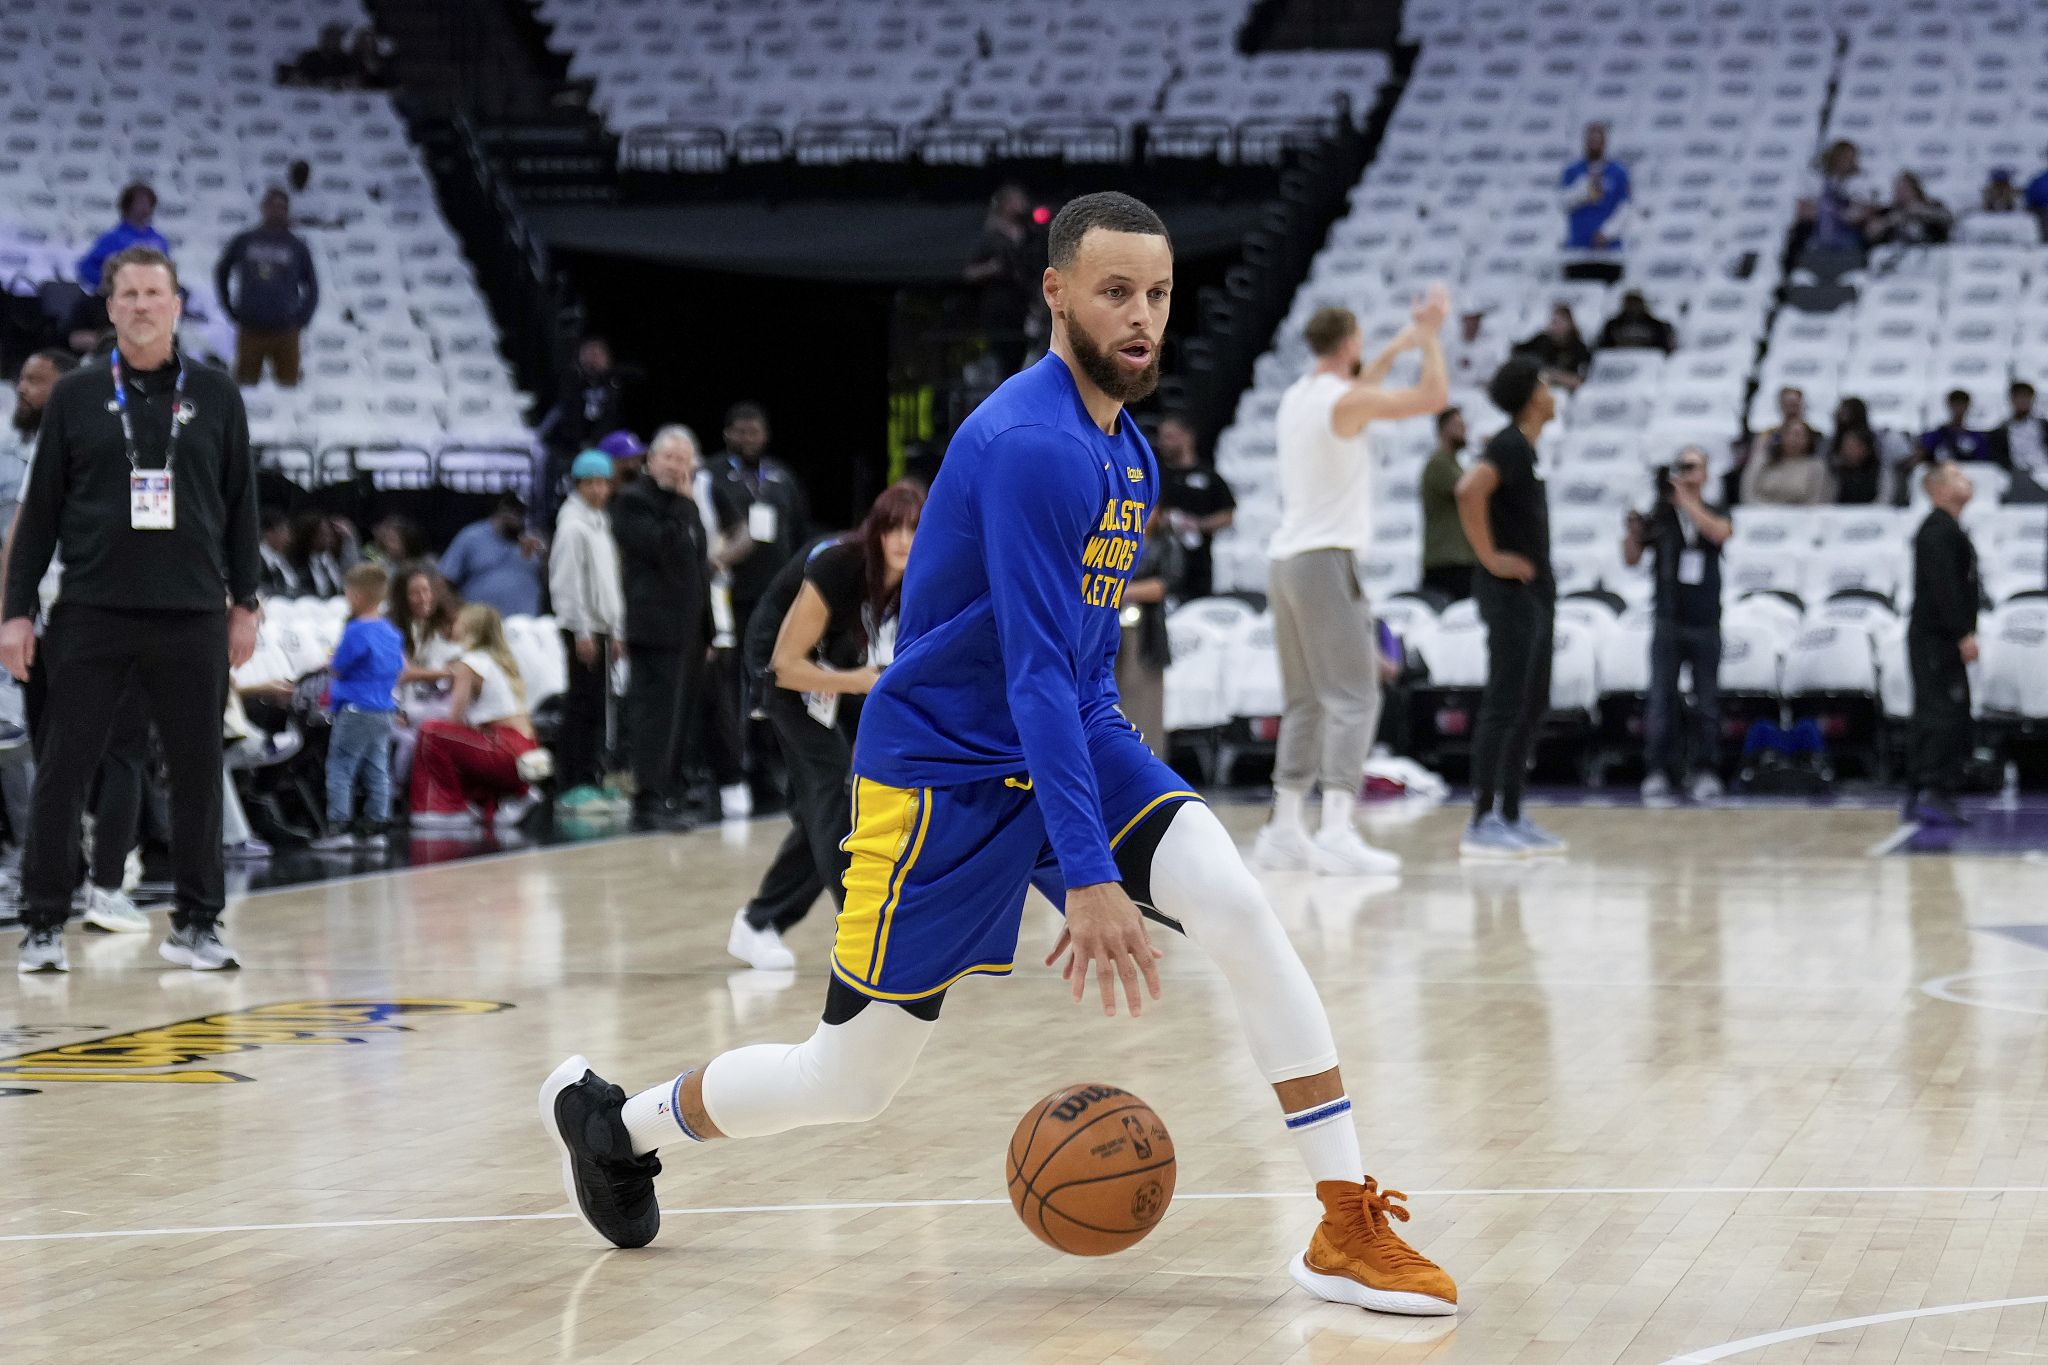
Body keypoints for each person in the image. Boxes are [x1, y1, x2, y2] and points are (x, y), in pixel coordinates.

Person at [538, 192, 1459, 1320]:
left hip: (1070, 733)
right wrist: (1087, 876)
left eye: (1158, 294)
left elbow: (1069, 674)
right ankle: (613, 1125)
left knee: (1233, 900)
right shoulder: (1031, 445)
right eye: (1114, 291)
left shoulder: (1127, 455)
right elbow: (1025, 675)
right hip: (938, 780)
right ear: (1055, 294)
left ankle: (1341, 1220)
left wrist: (1102, 838)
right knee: (851, 1081)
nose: (1140, 316)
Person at [3, 245, 261, 974]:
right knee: (64, 766)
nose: (144, 305)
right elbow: (40, 512)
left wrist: (246, 603)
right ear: (111, 307)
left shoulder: (217, 395)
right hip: (91, 611)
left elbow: (244, 506)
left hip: (193, 616)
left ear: (177, 304)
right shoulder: (78, 396)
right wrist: (15, 612)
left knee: (198, 770)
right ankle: (45, 922)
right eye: (130, 294)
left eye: (156, 292)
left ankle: (198, 924)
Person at [1255, 290, 1450, 878]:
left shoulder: (1298, 395)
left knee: (1305, 701)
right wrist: (1432, 336)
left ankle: (1284, 830)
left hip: (1284, 560)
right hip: (1324, 559)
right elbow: (1434, 397)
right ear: (1349, 344)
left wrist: (1398, 344)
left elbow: (1361, 384)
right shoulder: (1344, 402)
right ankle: (1337, 829)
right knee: (1356, 694)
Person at [729, 484, 924, 972]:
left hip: (843, 671)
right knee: (836, 785)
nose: (903, 539)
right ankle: (866, 930)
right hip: (785, 666)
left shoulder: (921, 575)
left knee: (821, 806)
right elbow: (785, 665)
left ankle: (758, 923)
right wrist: (854, 681)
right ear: (873, 531)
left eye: (914, 528)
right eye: (891, 528)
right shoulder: (838, 564)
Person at [1454, 357, 1566, 859]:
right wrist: (1491, 557)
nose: (1552, 388)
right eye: (1544, 380)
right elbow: (1468, 489)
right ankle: (1482, 819)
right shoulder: (1508, 443)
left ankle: (1513, 813)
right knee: (1505, 702)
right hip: (1510, 594)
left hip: (1535, 592)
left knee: (1531, 702)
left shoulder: (1527, 450)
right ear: (1530, 394)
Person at [706, 401, 811, 817]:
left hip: (777, 599)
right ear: (728, 433)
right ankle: (726, 766)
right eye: (741, 431)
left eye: (756, 432)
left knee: (771, 681)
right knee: (727, 686)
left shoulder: (782, 477)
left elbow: (800, 532)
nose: (749, 439)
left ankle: (768, 764)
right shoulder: (711, 475)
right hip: (729, 597)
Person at [612, 425, 713, 832]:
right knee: (653, 715)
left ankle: (670, 788)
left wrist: (708, 629)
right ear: (651, 461)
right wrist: (684, 505)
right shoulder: (632, 501)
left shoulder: (684, 505)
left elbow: (699, 566)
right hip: (653, 628)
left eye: (683, 459)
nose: (675, 466)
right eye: (668, 458)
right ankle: (648, 796)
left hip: (689, 629)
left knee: (679, 717)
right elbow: (658, 546)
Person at [1624, 447, 1732, 802]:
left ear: (1705, 474)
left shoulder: (1714, 508)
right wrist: (1632, 531)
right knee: (1661, 700)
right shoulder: (1661, 514)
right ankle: (1658, 770)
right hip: (1668, 618)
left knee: (1706, 703)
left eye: (1692, 467)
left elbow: (1719, 533)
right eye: (1680, 467)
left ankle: (1705, 769)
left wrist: (1685, 500)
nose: (1684, 473)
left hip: (1704, 619)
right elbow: (1632, 558)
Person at [410, 603, 541, 831]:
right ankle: (517, 792)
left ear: (469, 627)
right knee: (464, 741)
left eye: (459, 621)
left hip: (504, 748)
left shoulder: (470, 663)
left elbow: (455, 718)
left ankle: (447, 809)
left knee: (431, 732)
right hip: (525, 748)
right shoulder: (499, 661)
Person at [1904, 463, 1981, 828]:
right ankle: (1932, 791)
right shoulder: (1937, 530)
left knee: (1937, 709)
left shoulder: (1947, 529)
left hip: (1938, 638)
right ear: (1939, 490)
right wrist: (1963, 632)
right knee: (1942, 712)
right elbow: (1944, 588)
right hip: (1937, 638)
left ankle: (1921, 790)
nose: (1968, 480)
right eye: (1958, 477)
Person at [548, 450, 625, 803]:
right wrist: (581, 631)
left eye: (603, 483)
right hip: (583, 629)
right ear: (578, 485)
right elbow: (568, 584)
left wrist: (617, 630)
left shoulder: (600, 522)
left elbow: (611, 583)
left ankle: (591, 773)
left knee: (599, 706)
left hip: (603, 628)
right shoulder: (572, 526)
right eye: (589, 483)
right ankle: (572, 777)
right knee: (581, 704)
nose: (597, 490)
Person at [309, 562, 403, 851]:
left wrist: (330, 661)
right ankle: (377, 828)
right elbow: (397, 666)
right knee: (377, 767)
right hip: (384, 709)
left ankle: (339, 827)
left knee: (341, 766)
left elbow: (338, 667)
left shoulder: (356, 631)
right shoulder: (391, 631)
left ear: (357, 597)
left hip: (354, 709)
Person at [214, 189, 319, 388]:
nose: (278, 211)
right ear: (264, 208)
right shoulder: (245, 240)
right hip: (251, 328)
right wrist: (229, 306)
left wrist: (303, 317)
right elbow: (222, 271)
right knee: (245, 387)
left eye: (282, 206)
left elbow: (312, 285)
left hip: (286, 330)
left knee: (289, 387)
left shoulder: (296, 245)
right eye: (274, 206)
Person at [1115, 512, 1184, 761]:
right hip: (1109, 627)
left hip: (1147, 632)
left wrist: (1120, 590)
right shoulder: (1113, 540)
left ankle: (1148, 763)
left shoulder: (1165, 543)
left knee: (1145, 704)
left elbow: (1164, 585)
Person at [388, 563, 463, 789]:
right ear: (403, 597)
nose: (424, 598)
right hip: (394, 707)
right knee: (419, 735)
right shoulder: (390, 630)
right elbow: (403, 674)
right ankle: (400, 791)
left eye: (427, 591)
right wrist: (446, 673)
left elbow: (456, 663)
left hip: (425, 703)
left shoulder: (435, 629)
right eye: (415, 593)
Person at [539, 337, 627, 530]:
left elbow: (614, 420)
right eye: (590, 353)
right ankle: (547, 527)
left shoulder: (615, 386)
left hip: (601, 452)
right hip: (566, 450)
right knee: (556, 487)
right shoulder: (567, 380)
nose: (594, 358)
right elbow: (559, 414)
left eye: (599, 354)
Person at [1151, 414, 1233, 601]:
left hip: (1200, 563)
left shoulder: (1209, 476)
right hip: (1164, 562)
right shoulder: (1158, 477)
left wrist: (1198, 524)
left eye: (1170, 437)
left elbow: (1228, 515)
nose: (1163, 443)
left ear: (1187, 437)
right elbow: (1147, 514)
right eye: (1162, 437)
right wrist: (1167, 520)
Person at [965, 183, 1037, 377]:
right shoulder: (989, 236)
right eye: (1016, 200)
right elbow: (969, 272)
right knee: (1002, 356)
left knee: (1025, 353)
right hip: (998, 306)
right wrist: (991, 268)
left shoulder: (1030, 236)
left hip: (1024, 305)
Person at [440, 492, 543, 619]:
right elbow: (444, 580)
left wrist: (545, 554)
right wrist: (454, 613)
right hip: (481, 625)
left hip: (525, 625)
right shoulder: (472, 537)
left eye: (520, 512)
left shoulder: (533, 542)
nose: (516, 517)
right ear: (498, 512)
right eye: (511, 511)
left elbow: (554, 581)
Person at [1420, 407, 1477, 603]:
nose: (1464, 431)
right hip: (1448, 564)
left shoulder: (1453, 465)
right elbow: (1469, 492)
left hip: (1458, 561)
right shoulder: (1439, 464)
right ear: (1443, 429)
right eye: (1458, 426)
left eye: (1464, 426)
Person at [75, 184, 170, 297]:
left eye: (148, 203)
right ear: (128, 205)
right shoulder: (113, 238)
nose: (145, 207)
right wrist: (112, 282)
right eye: (140, 202)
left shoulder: (159, 240)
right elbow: (86, 268)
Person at [1798, 139, 1879, 257]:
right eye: (1845, 157)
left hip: (1850, 231)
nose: (1850, 162)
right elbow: (1802, 210)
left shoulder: (1860, 181)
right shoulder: (1817, 178)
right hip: (1818, 228)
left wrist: (1841, 215)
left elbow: (1866, 211)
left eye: (1852, 158)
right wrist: (1826, 213)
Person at [1561, 122, 1629, 251]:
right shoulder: (1573, 171)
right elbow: (1564, 203)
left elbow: (1625, 206)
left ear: (1604, 142)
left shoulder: (1618, 172)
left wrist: (1606, 233)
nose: (1595, 145)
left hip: (1610, 248)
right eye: (1591, 140)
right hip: (1578, 245)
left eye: (1598, 140)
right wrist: (1586, 186)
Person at [1740, 419, 1829, 505]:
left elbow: (1817, 499)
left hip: (1800, 516)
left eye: (1798, 435)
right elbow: (1748, 492)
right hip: (1760, 513)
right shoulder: (1763, 461)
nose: (1793, 439)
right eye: (1789, 434)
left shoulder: (1816, 466)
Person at [1514, 304, 1591, 391]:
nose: (1554, 326)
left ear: (1569, 323)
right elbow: (1518, 354)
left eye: (1558, 322)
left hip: (1564, 391)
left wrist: (1555, 376)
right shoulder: (1542, 340)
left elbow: (1580, 379)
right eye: (1553, 322)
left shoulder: (1578, 347)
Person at [1987, 381, 2048, 491]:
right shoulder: (2000, 431)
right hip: (2015, 476)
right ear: (2012, 399)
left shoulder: (2044, 426)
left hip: (2044, 472)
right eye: (2019, 396)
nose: (2023, 401)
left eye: (2027, 396)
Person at [1867, 171, 1953, 247]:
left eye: (1905, 188)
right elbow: (1871, 233)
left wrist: (1923, 211)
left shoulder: (1932, 206)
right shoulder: (1888, 211)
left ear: (1915, 189)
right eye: (1898, 189)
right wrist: (1890, 221)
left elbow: (1948, 220)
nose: (1901, 193)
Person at [287, 508, 352, 597]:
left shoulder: (331, 559)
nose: (329, 539)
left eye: (330, 534)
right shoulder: (298, 565)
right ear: (309, 536)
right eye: (323, 535)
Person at [1918, 390, 1989, 467]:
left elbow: (1983, 463)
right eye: (1956, 404)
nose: (1959, 408)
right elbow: (1922, 459)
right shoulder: (1937, 435)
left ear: (1968, 406)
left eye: (1963, 404)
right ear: (1950, 405)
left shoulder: (1976, 437)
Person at [1594, 289, 1677, 353]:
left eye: (1636, 303)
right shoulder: (1612, 325)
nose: (1633, 307)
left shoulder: (1656, 325)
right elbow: (1603, 350)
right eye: (1630, 303)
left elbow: (1662, 350)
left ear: (1643, 304)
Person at [1445, 307, 1507, 390]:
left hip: (1474, 395)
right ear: (1464, 320)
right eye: (1470, 320)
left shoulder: (1487, 351)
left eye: (1476, 320)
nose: (1473, 324)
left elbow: (1489, 379)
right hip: (1450, 391)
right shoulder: (1449, 348)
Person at [1826, 425, 1889, 505]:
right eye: (1848, 447)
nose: (1850, 451)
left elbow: (1884, 500)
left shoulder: (1881, 473)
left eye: (1856, 446)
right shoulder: (1834, 473)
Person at [257, 507, 300, 597]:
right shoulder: (257, 559)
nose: (288, 538)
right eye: (282, 531)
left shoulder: (283, 558)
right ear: (268, 533)